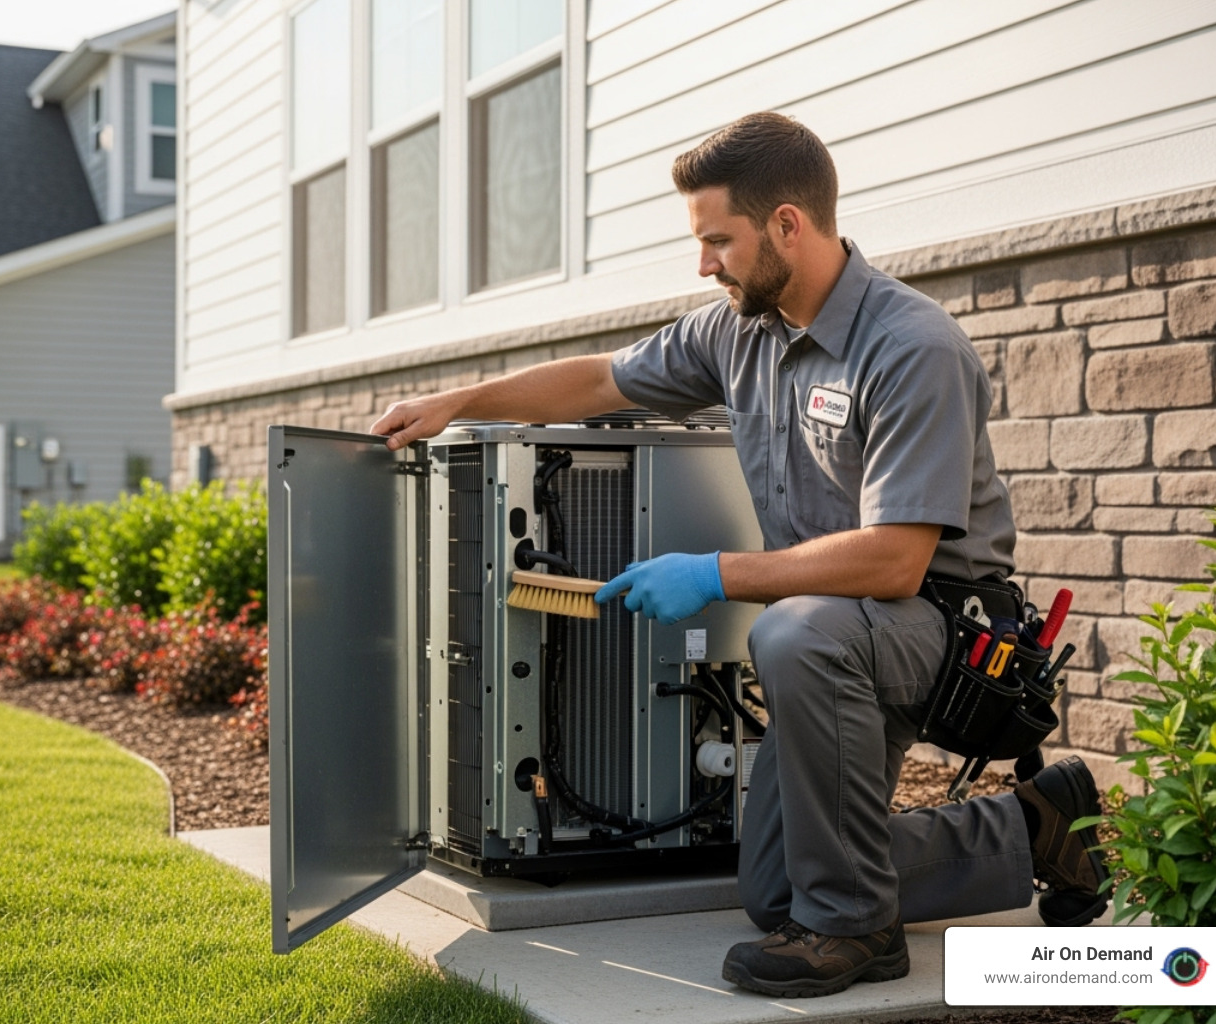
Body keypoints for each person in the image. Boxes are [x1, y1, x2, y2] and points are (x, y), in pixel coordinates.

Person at [369, 112, 1108, 999]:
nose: (704, 262)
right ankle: (1033, 826)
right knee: (771, 892)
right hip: (832, 624)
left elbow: (893, 566)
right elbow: (605, 379)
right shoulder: (738, 333)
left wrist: (713, 574)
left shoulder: (910, 347)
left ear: (787, 224)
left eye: (719, 239)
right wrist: (461, 399)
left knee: (796, 637)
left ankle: (857, 931)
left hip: (937, 628)